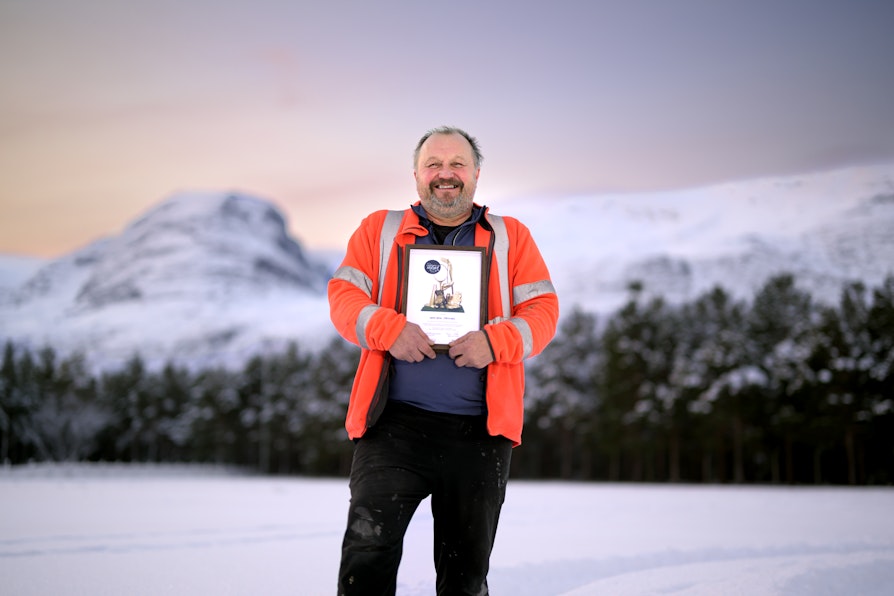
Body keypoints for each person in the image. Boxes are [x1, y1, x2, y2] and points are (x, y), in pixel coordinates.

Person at [329, 126, 559, 595]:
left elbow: (544, 312)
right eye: (434, 164)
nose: (445, 174)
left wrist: (494, 343)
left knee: (465, 575)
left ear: (476, 174)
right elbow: (344, 296)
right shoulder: (380, 229)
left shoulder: (511, 237)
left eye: (457, 164)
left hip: (480, 433)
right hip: (393, 427)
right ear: (416, 174)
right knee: (367, 554)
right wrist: (388, 329)